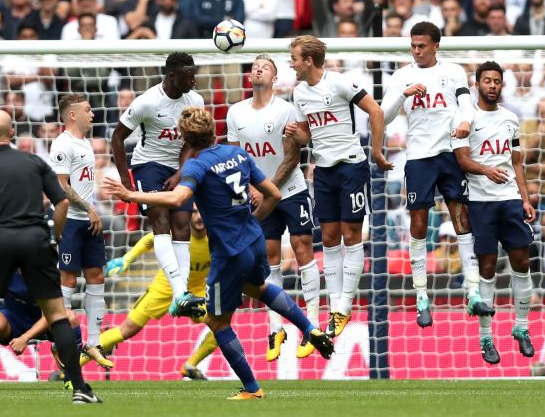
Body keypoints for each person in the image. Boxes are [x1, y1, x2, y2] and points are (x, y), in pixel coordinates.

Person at [104, 107, 334, 399]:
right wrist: (252, 221)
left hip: (227, 252)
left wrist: (131, 195)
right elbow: (273, 194)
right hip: (253, 240)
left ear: (185, 138)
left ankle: (252, 388)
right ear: (214, 129)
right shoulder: (238, 155)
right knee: (260, 287)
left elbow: (178, 198)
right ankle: (310, 328)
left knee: (217, 323)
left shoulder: (196, 166)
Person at [0, 109, 100, 405]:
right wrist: (54, 240)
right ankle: (80, 388)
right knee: (57, 315)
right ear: (12, 133)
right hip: (35, 240)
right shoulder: (34, 162)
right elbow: (63, 201)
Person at [380, 21, 495, 328]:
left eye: (422, 46)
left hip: (450, 152)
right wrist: (403, 94)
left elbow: (465, 106)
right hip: (418, 156)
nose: (416, 51)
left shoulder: (454, 71)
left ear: (435, 46)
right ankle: (421, 296)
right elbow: (383, 114)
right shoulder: (402, 76)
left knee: (462, 218)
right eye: (413, 46)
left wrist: (465, 124)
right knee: (419, 222)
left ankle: (472, 290)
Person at [285, 35, 391, 338]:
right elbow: (309, 136)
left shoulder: (341, 83)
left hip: (351, 167)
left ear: (308, 60)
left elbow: (376, 111)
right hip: (324, 170)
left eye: (294, 58)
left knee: (350, 234)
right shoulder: (299, 93)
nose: (291, 64)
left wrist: (377, 151)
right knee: (329, 237)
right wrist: (296, 133)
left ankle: (345, 305)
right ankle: (334, 307)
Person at [226, 54, 322, 360]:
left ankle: (314, 327)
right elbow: (234, 157)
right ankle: (275, 328)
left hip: (289, 189)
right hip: (258, 193)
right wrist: (247, 189)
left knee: (302, 245)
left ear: (275, 76)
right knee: (267, 258)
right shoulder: (235, 112)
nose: (257, 69)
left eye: (264, 66)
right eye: (254, 66)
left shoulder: (286, 109)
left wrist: (265, 189)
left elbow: (293, 157)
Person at [452, 61, 536, 364]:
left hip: (510, 200)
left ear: (502, 85)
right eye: (487, 80)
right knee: (487, 268)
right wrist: (485, 169)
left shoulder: (511, 119)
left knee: (522, 261)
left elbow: (516, 163)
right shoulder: (465, 119)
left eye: (497, 81)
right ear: (477, 84)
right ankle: (486, 338)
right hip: (481, 202)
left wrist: (525, 200)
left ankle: (522, 328)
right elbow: (461, 159)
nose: (492, 85)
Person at [110, 52, 205, 316]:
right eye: (189, 76)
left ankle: (181, 295)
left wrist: (181, 171)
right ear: (172, 76)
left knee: (183, 226)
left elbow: (192, 141)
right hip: (148, 166)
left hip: (179, 166)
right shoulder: (148, 102)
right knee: (161, 220)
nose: (194, 80)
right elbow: (117, 138)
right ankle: (180, 292)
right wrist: (126, 181)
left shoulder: (195, 100)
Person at [99, 204, 217, 380]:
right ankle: (72, 367)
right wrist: (126, 259)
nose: (199, 217)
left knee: (220, 327)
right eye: (193, 212)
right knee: (127, 330)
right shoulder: (178, 231)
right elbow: (149, 239)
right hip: (165, 287)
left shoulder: (217, 236)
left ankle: (190, 366)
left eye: (202, 212)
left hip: (197, 290)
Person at [49, 94, 113, 368]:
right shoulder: (62, 144)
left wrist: (91, 210)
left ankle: (94, 342)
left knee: (97, 276)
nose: (93, 114)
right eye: (88, 110)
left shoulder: (85, 142)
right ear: (72, 115)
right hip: (73, 221)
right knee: (69, 280)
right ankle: (61, 342)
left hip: (89, 218)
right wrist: (89, 208)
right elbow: (61, 185)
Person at [0, 270, 91, 391]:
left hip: (42, 322)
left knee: (70, 318)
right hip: (12, 319)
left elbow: (49, 315)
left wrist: (24, 338)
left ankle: (72, 378)